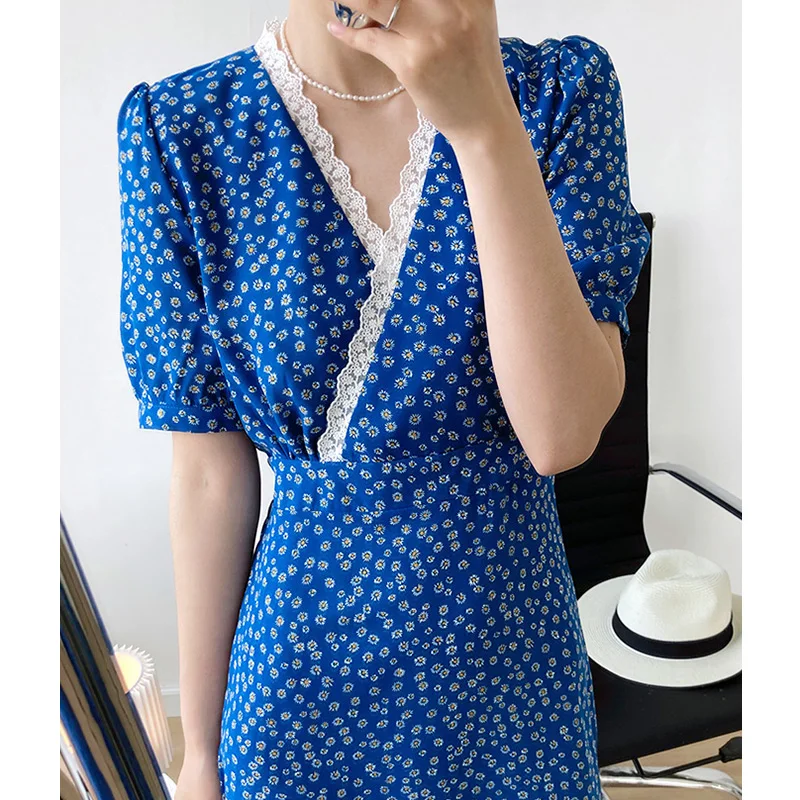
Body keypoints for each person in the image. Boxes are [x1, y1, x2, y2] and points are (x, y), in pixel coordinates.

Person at [116, 1, 651, 798]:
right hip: (298, 691)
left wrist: (484, 127)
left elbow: (560, 434)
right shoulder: (183, 132)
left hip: (512, 677)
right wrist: (200, 755)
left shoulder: (557, 93)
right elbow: (207, 477)